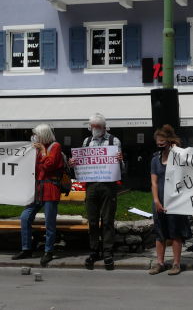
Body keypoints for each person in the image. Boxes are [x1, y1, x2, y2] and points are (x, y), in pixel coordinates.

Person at [69, 113, 123, 270]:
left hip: (108, 185)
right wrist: (74, 163)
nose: (94, 129)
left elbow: (120, 167)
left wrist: (120, 160)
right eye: (92, 126)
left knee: (107, 220)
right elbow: (83, 163)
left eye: (97, 127)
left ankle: (107, 251)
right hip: (91, 185)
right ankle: (94, 250)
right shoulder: (87, 141)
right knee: (92, 220)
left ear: (104, 127)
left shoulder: (114, 141)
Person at [12, 124, 64, 267]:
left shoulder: (55, 147)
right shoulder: (35, 149)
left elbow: (49, 165)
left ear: (44, 135)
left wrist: (41, 151)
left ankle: (48, 251)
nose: (35, 137)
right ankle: (26, 248)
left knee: (50, 223)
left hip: (50, 188)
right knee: (25, 217)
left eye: (37, 135)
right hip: (37, 189)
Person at [147, 125, 192, 276]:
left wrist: (175, 150)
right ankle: (160, 263)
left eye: (163, 142)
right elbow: (154, 182)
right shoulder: (155, 160)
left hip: (175, 201)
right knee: (160, 234)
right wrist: (156, 201)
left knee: (175, 233)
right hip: (160, 201)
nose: (160, 145)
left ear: (169, 141)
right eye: (158, 142)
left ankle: (176, 264)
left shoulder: (178, 157)